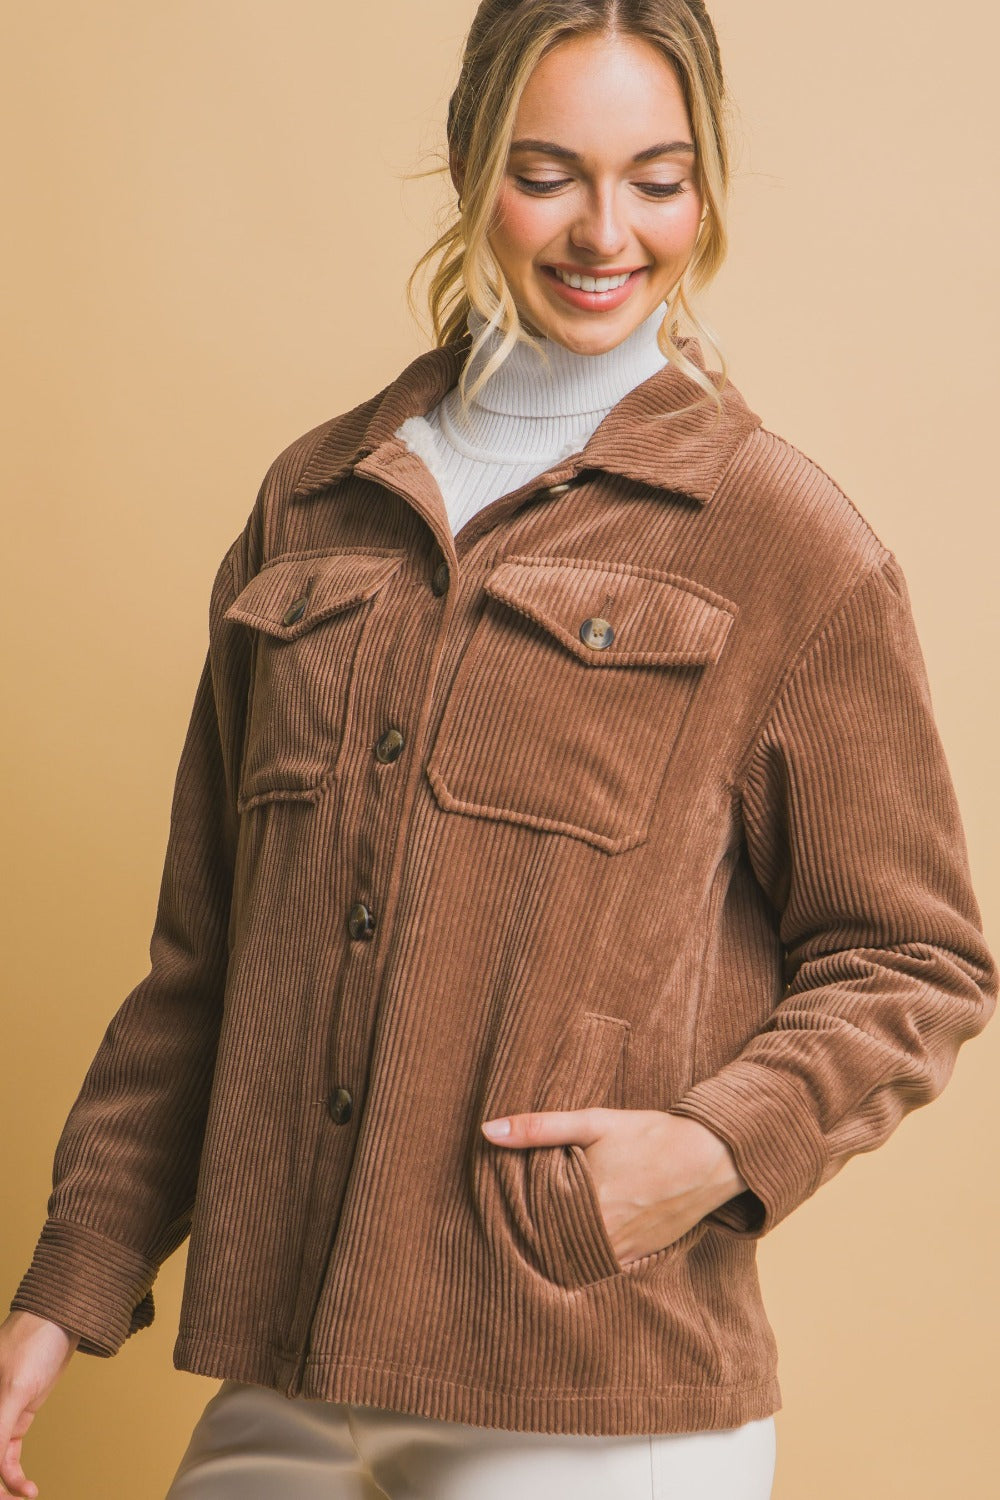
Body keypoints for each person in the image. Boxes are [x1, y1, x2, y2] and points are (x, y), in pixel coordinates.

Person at [1, 2, 996, 1497]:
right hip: (285, 1374)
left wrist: (712, 1151)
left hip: (594, 1392)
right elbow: (206, 963)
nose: (608, 229)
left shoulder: (786, 541)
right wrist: (67, 1286)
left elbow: (917, 960)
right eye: (552, 172)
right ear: (472, 168)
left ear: (706, 190)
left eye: (658, 179)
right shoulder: (317, 500)